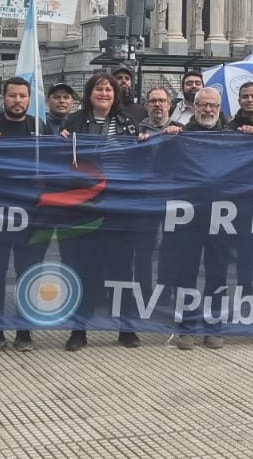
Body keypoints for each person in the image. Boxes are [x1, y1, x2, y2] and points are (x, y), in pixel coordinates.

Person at [59, 72, 148, 351]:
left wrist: (145, 141)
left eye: (109, 89)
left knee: (123, 269)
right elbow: (65, 162)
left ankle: (126, 328)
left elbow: (137, 161)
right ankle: (79, 329)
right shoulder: (74, 122)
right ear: (89, 94)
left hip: (120, 207)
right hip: (87, 207)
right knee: (84, 268)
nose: (105, 94)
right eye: (99, 89)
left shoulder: (127, 122)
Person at [0, 77, 51, 353]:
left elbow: (52, 166)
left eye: (22, 96)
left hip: (30, 215)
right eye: (12, 96)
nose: (17, 101)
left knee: (27, 273)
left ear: (30, 99)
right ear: (3, 97)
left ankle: (24, 331)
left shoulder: (39, 128)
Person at [158, 87, 232, 350]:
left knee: (218, 273)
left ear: (219, 108)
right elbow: (160, 167)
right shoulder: (180, 134)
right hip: (187, 214)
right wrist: (165, 138)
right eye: (203, 105)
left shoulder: (232, 137)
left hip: (222, 215)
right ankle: (186, 327)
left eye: (213, 105)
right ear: (194, 107)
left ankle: (214, 327)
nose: (208, 110)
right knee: (185, 273)